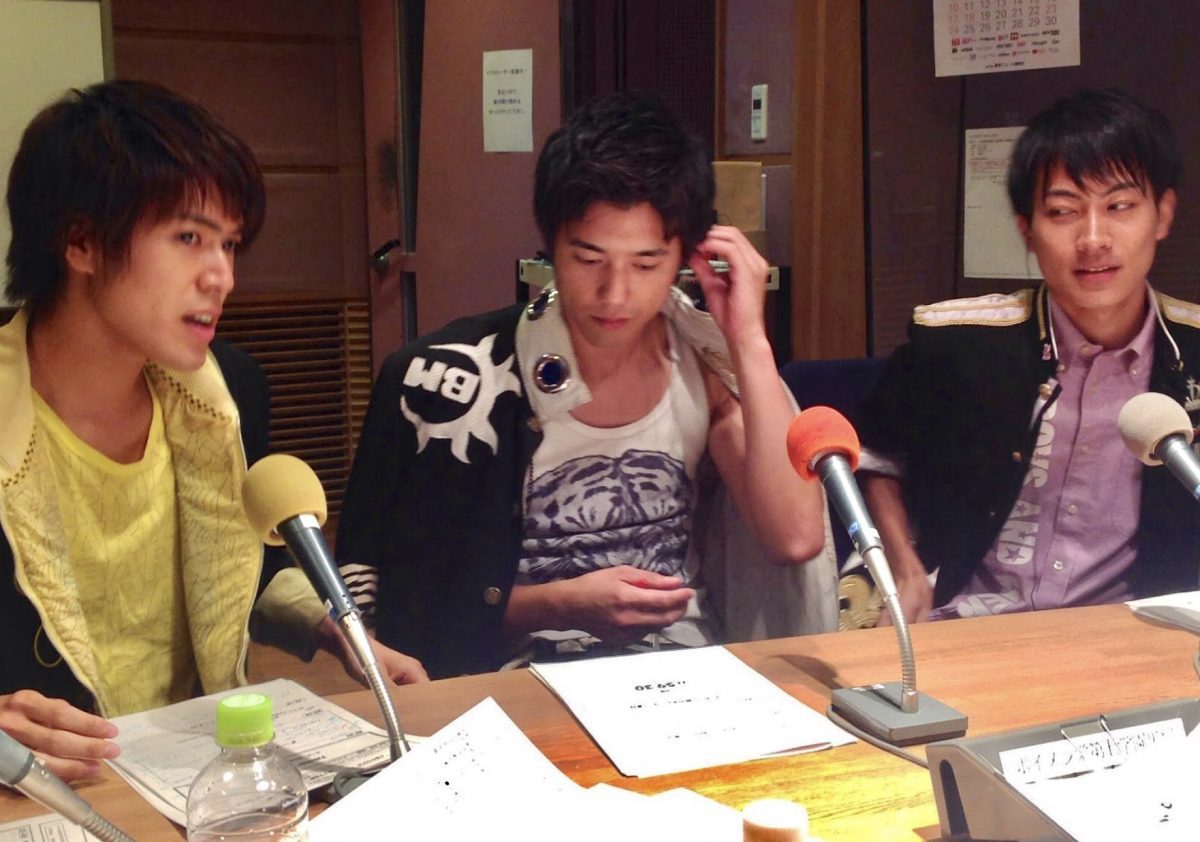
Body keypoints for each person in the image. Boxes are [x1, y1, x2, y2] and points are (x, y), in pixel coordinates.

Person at [0, 80, 426, 782]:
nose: (222, 276)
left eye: (229, 244)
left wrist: (335, 627)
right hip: (48, 787)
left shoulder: (225, 396)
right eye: (189, 238)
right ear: (81, 241)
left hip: (196, 771)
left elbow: (236, 565)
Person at [336, 92, 837, 679]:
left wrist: (748, 338)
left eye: (646, 264)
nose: (615, 294)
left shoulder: (702, 366)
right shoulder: (453, 382)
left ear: (687, 256)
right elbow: (412, 602)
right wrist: (561, 603)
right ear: (550, 245)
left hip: (683, 674)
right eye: (589, 259)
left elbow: (794, 539)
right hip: (510, 678)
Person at [857, 88, 1200, 624]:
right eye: (1063, 211)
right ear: (1027, 232)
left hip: (1133, 632)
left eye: (1119, 206)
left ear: (1163, 215)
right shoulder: (959, 344)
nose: (1093, 239)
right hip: (968, 623)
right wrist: (905, 569)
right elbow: (877, 459)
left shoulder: (1192, 350)